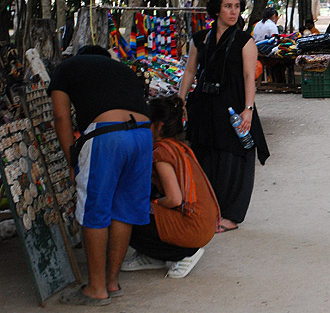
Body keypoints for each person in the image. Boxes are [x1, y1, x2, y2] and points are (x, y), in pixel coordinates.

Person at [49, 46, 152, 305]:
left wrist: (71, 156)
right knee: (123, 209)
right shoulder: (123, 69)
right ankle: (111, 283)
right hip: (142, 135)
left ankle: (96, 289)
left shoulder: (67, 67)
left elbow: (60, 116)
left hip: (106, 136)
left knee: (94, 209)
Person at [179, 0, 269, 234]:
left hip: (234, 104)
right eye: (228, 5)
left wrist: (248, 110)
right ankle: (208, 210)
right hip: (205, 105)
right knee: (205, 156)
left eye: (237, 6)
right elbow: (189, 71)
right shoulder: (200, 39)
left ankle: (230, 215)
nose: (233, 11)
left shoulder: (244, 40)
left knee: (234, 158)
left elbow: (250, 76)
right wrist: (180, 101)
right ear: (216, 9)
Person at [122, 96, 219, 278]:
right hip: (204, 224)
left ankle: (184, 254)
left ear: (158, 126)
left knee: (128, 215)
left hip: (194, 228)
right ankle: (155, 256)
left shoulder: (162, 152)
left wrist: (153, 206)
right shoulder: (177, 147)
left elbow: (174, 198)